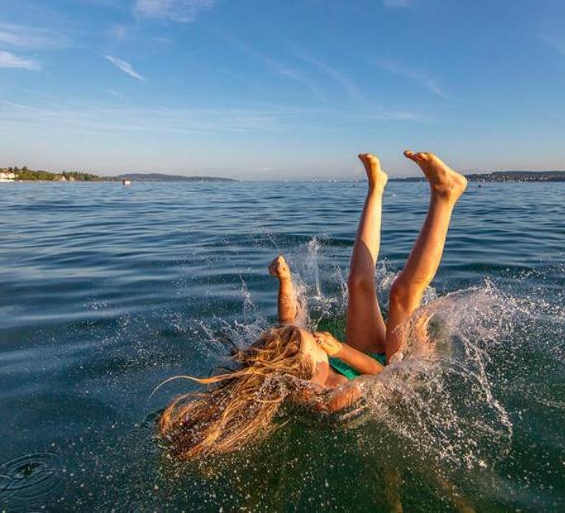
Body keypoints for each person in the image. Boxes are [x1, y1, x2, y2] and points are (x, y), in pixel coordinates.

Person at [158, 151, 467, 460]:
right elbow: (380, 375)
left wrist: (285, 281)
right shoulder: (328, 398)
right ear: (313, 371)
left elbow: (289, 318)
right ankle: (445, 194)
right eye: (317, 345)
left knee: (358, 281)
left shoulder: (292, 358)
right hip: (397, 374)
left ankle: (376, 187)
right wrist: (341, 351)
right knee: (402, 295)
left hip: (365, 359)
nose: (317, 337)